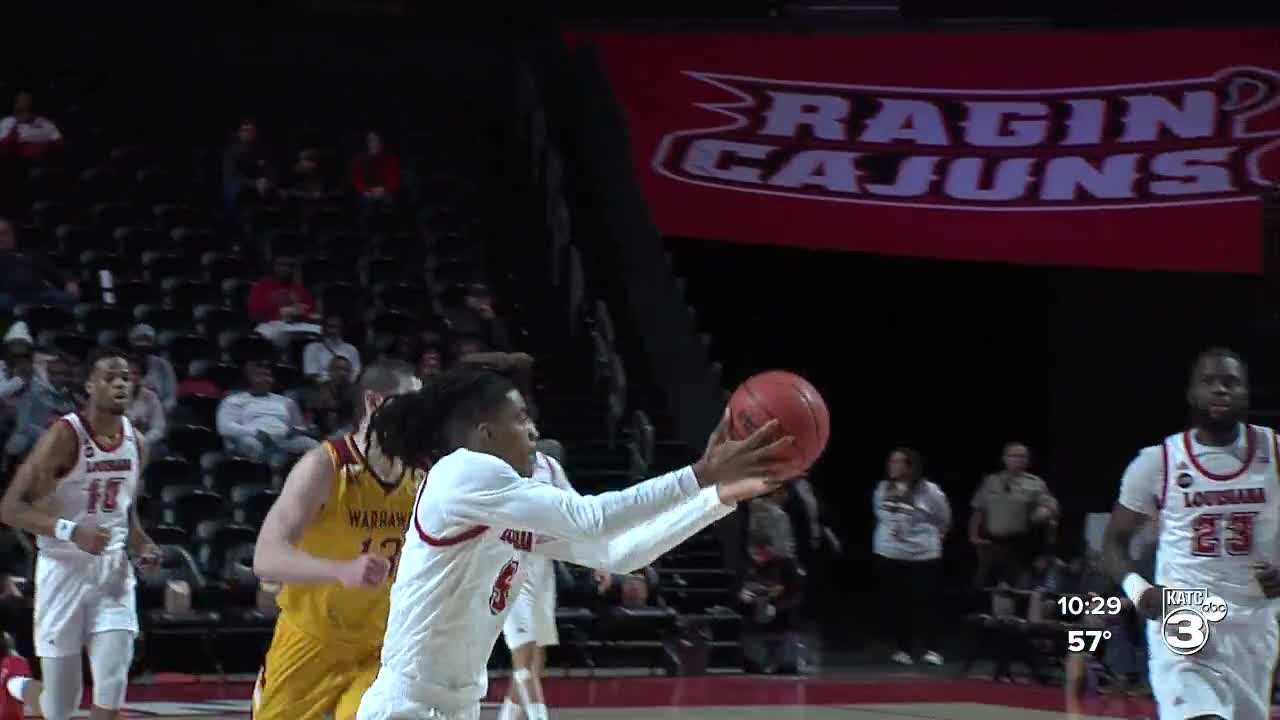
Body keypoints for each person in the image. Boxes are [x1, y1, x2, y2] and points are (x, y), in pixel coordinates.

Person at [355, 367, 791, 720]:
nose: (533, 430)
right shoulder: (462, 472)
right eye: (520, 418)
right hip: (407, 707)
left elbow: (617, 553)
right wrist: (702, 473)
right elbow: (593, 519)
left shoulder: (502, 506)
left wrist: (718, 498)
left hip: (457, 707)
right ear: (485, 434)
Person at [1102, 348, 1280, 720]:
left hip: (1253, 623)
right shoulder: (1158, 461)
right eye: (1209, 381)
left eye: (1231, 382)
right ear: (1191, 393)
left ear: (1247, 393)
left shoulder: (1275, 452)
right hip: (1185, 615)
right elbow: (1114, 541)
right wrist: (1139, 590)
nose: (1220, 389)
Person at [250, 360, 422, 720]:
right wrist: (341, 570)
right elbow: (265, 557)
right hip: (311, 638)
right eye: (410, 403)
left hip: (381, 646)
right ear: (374, 402)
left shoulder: (421, 476)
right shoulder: (325, 465)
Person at [0, 347, 160, 720]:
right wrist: (72, 531)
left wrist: (144, 545)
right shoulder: (65, 435)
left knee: (111, 688)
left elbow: (126, 512)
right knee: (59, 707)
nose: (120, 384)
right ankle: (11, 680)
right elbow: (9, 508)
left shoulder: (138, 442)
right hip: (63, 571)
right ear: (89, 385)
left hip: (113, 575)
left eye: (126, 377)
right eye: (110, 377)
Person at [498, 439, 571, 720]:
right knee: (524, 659)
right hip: (509, 567)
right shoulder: (499, 467)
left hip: (543, 568)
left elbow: (576, 508)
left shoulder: (550, 467)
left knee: (537, 659)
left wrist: (598, 561)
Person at [872, 447, 951, 666]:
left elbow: (943, 518)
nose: (892, 465)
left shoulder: (929, 490)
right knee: (897, 603)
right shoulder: (882, 488)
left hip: (922, 554)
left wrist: (931, 539)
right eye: (891, 461)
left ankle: (931, 649)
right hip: (889, 552)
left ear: (910, 466)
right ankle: (903, 649)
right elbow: (880, 515)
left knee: (924, 602)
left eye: (898, 461)